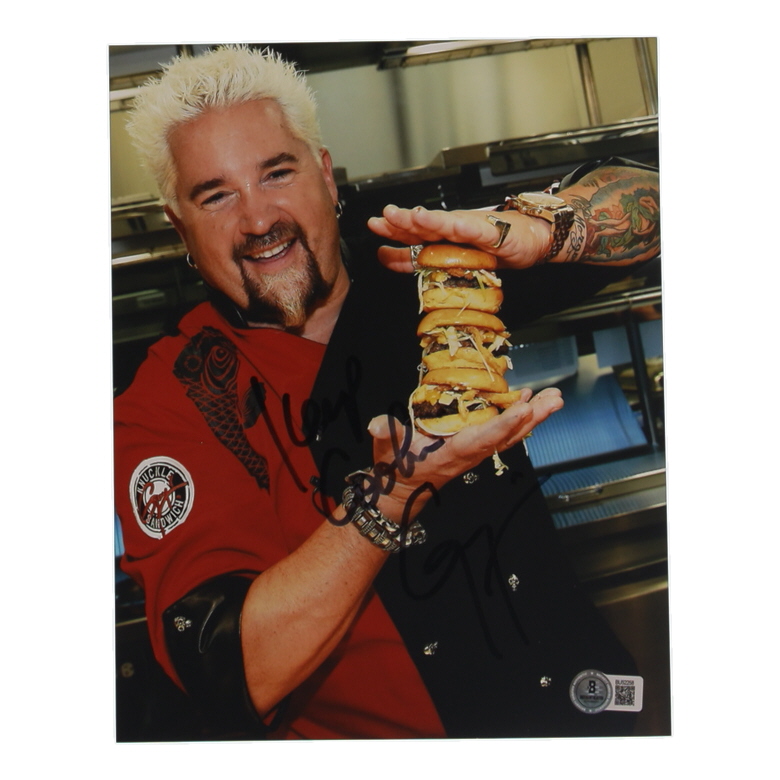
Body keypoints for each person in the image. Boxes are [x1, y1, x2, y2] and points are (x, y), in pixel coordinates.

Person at [114, 45, 661, 740]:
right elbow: (230, 669)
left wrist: (549, 228)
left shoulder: (425, 268)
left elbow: (656, 197)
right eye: (216, 195)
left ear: (325, 174)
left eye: (276, 173)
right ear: (179, 228)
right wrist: (391, 496)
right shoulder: (171, 402)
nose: (257, 221)